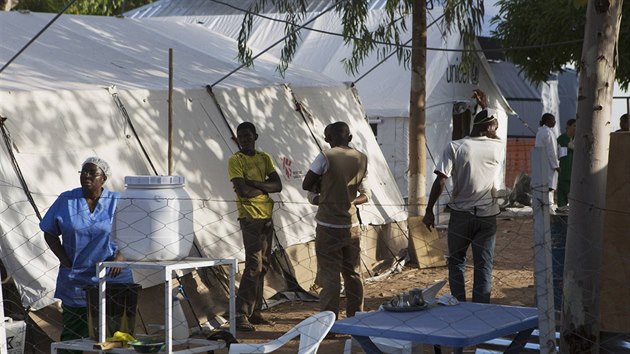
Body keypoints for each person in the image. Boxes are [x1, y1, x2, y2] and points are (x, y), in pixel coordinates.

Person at [40, 157, 133, 352]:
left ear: (104, 178)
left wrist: (121, 258)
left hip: (112, 276)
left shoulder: (118, 201)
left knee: (114, 336)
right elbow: (49, 232)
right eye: (84, 172)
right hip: (76, 277)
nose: (87, 176)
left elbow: (136, 232)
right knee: (73, 335)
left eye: (93, 172)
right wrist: (64, 260)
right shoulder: (67, 200)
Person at [423, 89, 504, 304]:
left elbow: (441, 180)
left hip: (461, 215)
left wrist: (429, 210)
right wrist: (485, 106)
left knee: (456, 261)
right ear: (488, 127)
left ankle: (458, 305)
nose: (496, 130)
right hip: (487, 216)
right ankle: (480, 309)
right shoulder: (498, 147)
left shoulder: (455, 147)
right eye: (495, 125)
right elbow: (493, 131)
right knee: (483, 265)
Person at [302, 121, 370, 319]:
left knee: (330, 274)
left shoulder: (326, 155)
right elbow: (366, 194)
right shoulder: (361, 158)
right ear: (349, 138)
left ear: (327, 139)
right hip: (351, 224)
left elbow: (307, 183)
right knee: (353, 273)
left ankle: (329, 321)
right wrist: (348, 200)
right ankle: (356, 317)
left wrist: (323, 191)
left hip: (328, 224)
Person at [228, 122, 283, 331]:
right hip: (249, 218)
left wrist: (255, 184)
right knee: (254, 265)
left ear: (255, 137)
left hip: (266, 217)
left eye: (247, 137)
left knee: (264, 264)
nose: (244, 140)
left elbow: (278, 186)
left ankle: (255, 311)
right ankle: (240, 314)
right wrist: (264, 187)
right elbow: (243, 192)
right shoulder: (235, 160)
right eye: (240, 137)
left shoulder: (264, 158)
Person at [535, 113, 560, 208]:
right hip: (549, 165)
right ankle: (549, 210)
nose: (554, 122)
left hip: (541, 164)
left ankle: (545, 209)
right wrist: (556, 165)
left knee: (542, 189)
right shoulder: (548, 133)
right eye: (552, 120)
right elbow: (551, 151)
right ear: (547, 121)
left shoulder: (540, 132)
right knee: (549, 189)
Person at [556, 118, 576, 210]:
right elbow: (559, 154)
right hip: (564, 170)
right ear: (568, 127)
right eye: (574, 126)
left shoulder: (579, 138)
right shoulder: (561, 139)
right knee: (562, 189)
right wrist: (568, 148)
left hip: (576, 172)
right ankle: (562, 207)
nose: (576, 128)